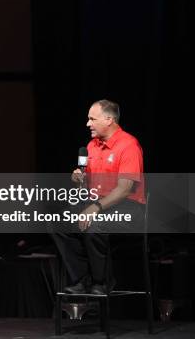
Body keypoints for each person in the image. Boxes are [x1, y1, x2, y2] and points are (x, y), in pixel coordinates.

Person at [53, 99, 146, 295]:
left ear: (109, 119)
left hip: (128, 208)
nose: (88, 124)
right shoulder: (91, 146)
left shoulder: (128, 145)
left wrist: (94, 207)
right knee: (57, 222)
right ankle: (81, 279)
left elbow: (124, 189)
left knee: (94, 224)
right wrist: (78, 179)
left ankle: (102, 282)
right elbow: (85, 187)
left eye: (92, 119)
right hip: (97, 203)